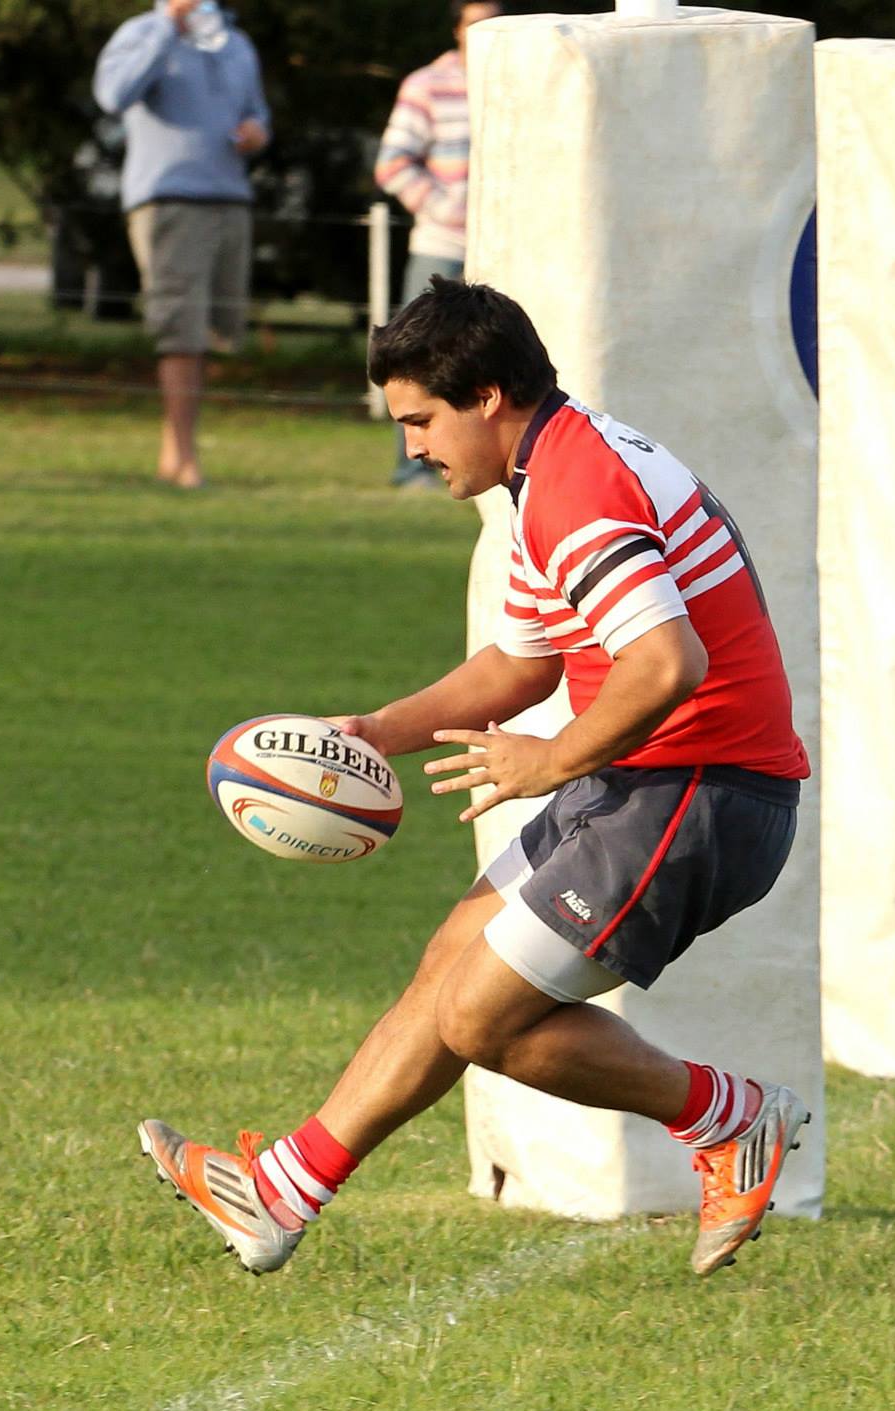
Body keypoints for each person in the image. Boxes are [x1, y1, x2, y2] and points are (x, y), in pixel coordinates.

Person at [138, 277, 812, 1277]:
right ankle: (281, 1189)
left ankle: (732, 1119)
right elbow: (522, 663)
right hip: (642, 780)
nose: (413, 446)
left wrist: (552, 757)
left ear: (488, 396)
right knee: (450, 964)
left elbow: (669, 662)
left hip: (700, 791)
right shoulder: (551, 470)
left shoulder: (578, 488)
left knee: (479, 1018)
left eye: (420, 420)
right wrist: (375, 730)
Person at [93, 0, 270, 490]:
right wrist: (166, 26)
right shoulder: (140, 33)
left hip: (230, 198)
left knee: (215, 332)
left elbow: (258, 113)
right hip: (170, 201)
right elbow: (113, 94)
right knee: (180, 332)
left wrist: (257, 132)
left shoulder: (236, 42)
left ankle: (175, 455)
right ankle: (183, 458)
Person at [375, 0, 503, 490]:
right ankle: (414, 469)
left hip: (502, 243)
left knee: (496, 356)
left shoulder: (513, 82)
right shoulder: (427, 84)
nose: (483, 31)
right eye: (475, 23)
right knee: (417, 358)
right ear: (457, 30)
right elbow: (392, 162)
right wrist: (442, 206)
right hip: (442, 242)